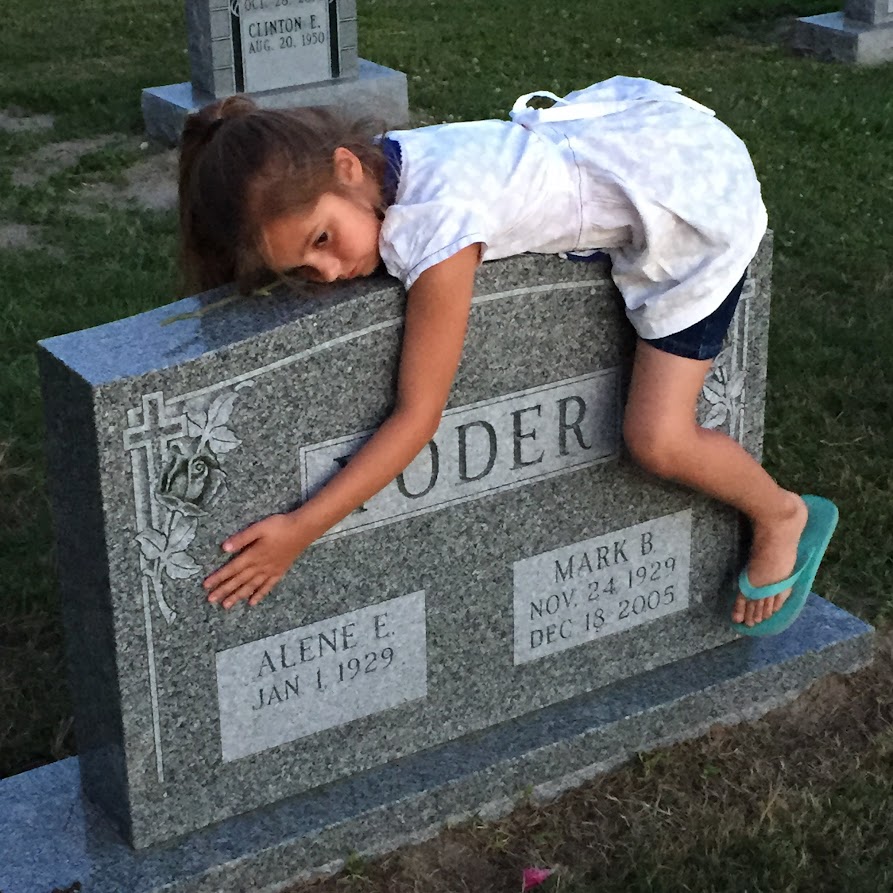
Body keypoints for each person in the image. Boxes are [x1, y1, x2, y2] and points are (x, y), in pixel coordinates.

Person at [180, 76, 836, 635]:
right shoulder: (391, 161)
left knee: (657, 438)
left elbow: (417, 416)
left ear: (347, 167)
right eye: (302, 269)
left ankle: (781, 512)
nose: (328, 271)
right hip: (646, 138)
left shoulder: (438, 224)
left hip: (690, 195)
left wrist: (301, 528)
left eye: (323, 239)